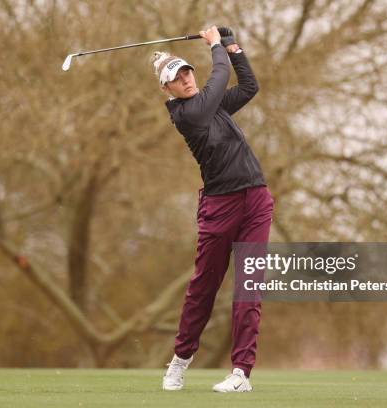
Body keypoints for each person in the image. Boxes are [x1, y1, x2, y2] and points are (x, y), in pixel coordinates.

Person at [151, 26, 274, 393]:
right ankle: (180, 360)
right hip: (219, 207)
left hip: (254, 200)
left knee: (248, 285)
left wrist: (233, 46)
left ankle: (241, 373)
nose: (186, 79)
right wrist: (216, 48)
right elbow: (218, 80)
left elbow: (249, 86)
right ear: (167, 88)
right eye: (177, 77)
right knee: (203, 289)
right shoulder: (187, 115)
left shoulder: (212, 105)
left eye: (188, 71)